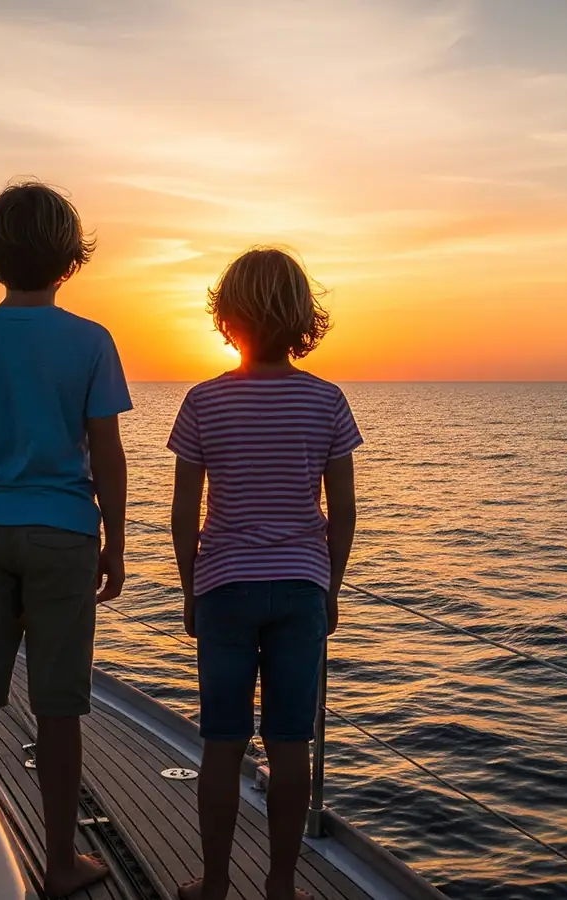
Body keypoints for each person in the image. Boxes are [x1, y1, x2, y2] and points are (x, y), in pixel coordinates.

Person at [0, 181, 128, 895]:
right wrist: (117, 543)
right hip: (63, 535)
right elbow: (106, 454)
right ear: (71, 258)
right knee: (59, 704)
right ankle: (60, 859)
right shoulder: (90, 341)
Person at [169, 247, 361, 900]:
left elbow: (182, 513)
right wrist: (328, 590)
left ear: (226, 317)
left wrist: (191, 588)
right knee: (289, 745)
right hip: (301, 586)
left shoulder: (203, 402)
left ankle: (217, 885)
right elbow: (344, 514)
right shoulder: (327, 402)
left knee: (222, 743)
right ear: (305, 318)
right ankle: (281, 887)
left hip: (224, 584)